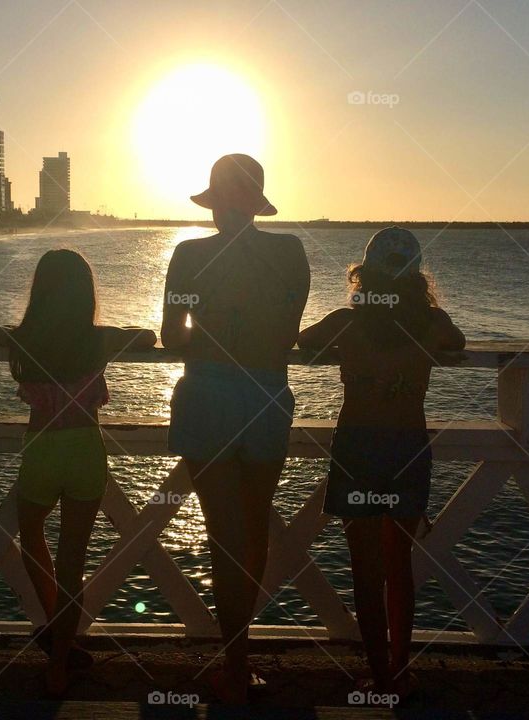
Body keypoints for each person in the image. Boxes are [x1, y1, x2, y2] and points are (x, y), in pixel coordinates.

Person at [161, 154, 310, 703]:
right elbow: (287, 333)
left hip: (207, 395)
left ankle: (234, 664)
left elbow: (172, 336)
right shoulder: (291, 252)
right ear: (256, 203)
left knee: (224, 533)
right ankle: (241, 659)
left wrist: (211, 336)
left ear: (216, 202)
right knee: (253, 531)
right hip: (267, 394)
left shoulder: (189, 255)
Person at [297, 227, 465, 702]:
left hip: (357, 449)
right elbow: (457, 340)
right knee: (399, 567)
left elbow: (306, 339)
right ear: (416, 278)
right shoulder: (432, 324)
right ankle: (400, 668)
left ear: (363, 276)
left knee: (365, 570)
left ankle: (380, 675)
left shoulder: (346, 324)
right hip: (407, 448)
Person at [0, 249, 156, 696]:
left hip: (42, 450)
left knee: (32, 539)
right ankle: (60, 662)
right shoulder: (97, 340)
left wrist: (9, 331)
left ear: (39, 292)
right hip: (85, 451)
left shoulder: (25, 340)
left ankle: (53, 626)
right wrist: (117, 332)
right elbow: (148, 336)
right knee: (73, 562)